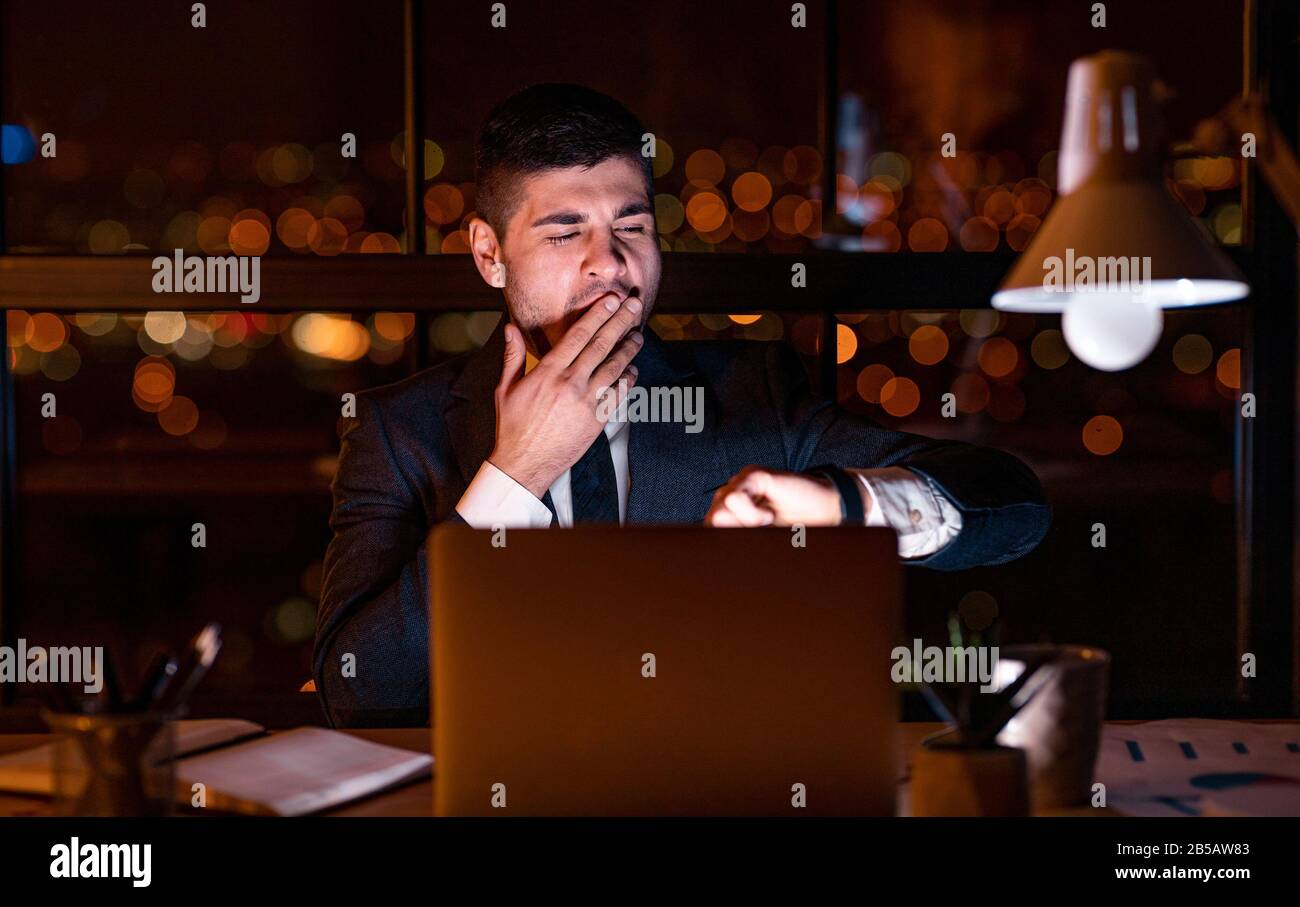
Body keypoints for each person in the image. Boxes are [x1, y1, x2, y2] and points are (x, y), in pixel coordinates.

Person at [314, 83, 1050, 727]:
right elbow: (361, 691)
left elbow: (1012, 508)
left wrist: (843, 506)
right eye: (565, 230)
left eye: (631, 227)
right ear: (488, 253)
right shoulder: (398, 429)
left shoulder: (749, 393)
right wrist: (514, 475)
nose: (610, 262)